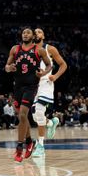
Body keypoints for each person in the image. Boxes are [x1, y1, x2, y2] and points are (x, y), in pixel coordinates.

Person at [4, 28, 51, 163]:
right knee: (22, 117)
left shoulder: (39, 50)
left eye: (28, 33)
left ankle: (20, 147)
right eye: (24, 33)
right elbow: (6, 66)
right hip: (17, 86)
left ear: (33, 36)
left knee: (23, 115)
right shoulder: (15, 49)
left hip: (31, 87)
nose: (25, 34)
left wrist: (43, 73)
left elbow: (49, 65)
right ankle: (30, 141)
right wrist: (9, 68)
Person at [31, 28, 68, 158]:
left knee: (40, 112)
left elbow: (63, 65)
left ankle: (40, 145)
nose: (36, 33)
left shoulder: (50, 49)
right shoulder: (29, 50)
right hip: (33, 86)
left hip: (46, 83)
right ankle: (51, 123)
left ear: (43, 36)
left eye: (39, 31)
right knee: (36, 117)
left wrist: (55, 76)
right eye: (34, 32)